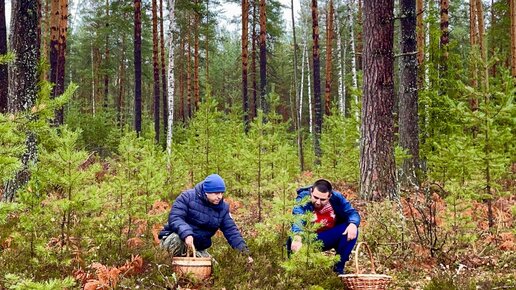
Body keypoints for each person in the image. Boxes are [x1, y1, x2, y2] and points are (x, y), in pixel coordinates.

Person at [159, 174, 253, 263]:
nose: (219, 196)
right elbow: (175, 218)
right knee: (178, 240)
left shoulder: (223, 209)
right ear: (206, 191)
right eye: (216, 193)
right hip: (175, 239)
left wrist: (245, 254)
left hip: (197, 248)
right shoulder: (187, 197)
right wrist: (186, 234)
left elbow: (232, 232)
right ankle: (166, 267)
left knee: (214, 270)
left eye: (221, 193)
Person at [288, 179, 360, 274]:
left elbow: (352, 213)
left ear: (329, 196)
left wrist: (353, 223)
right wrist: (298, 236)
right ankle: (294, 272)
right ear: (311, 192)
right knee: (291, 238)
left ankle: (338, 269)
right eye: (315, 197)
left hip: (328, 236)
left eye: (322, 199)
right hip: (307, 238)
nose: (318, 202)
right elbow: (298, 216)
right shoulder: (303, 198)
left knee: (350, 228)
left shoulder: (337, 198)